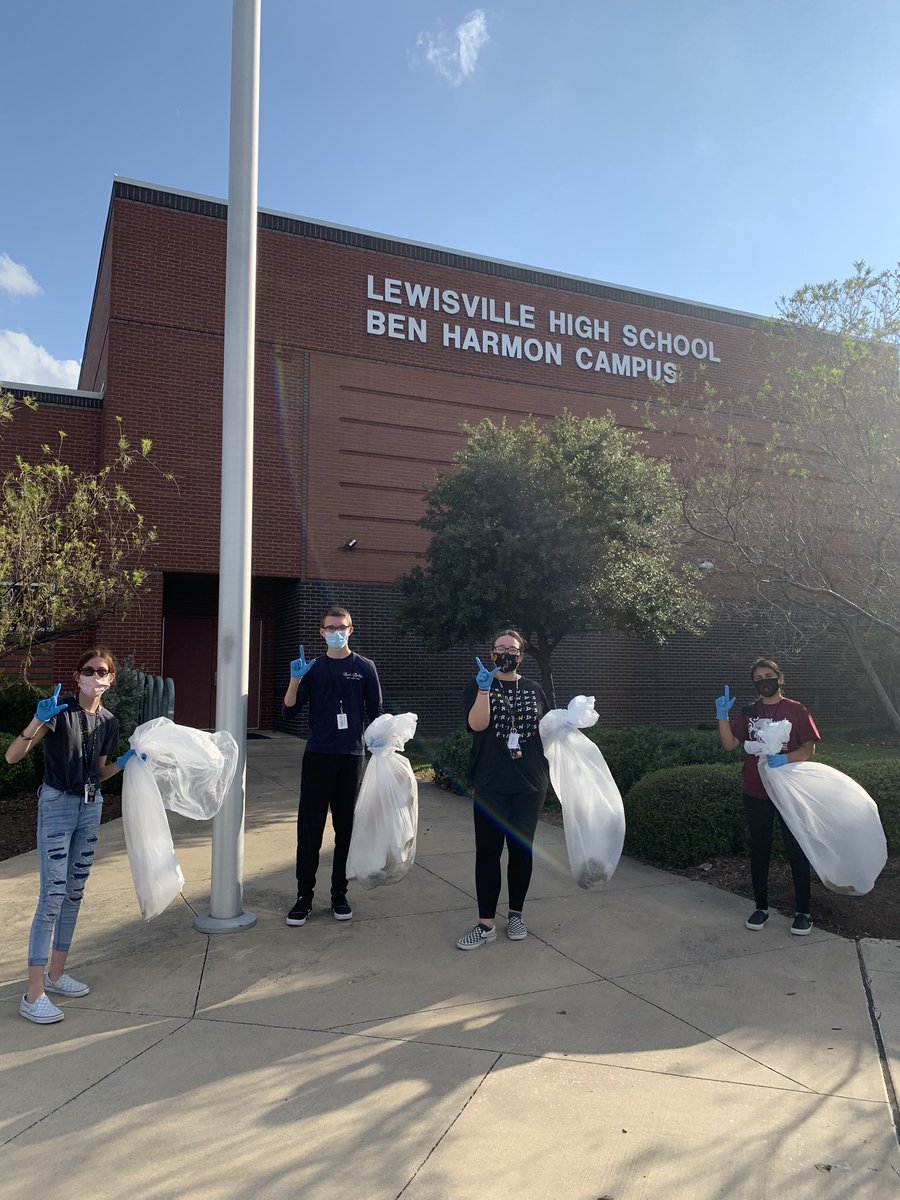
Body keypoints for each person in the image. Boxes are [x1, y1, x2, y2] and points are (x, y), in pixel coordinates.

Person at [6, 647, 137, 1024]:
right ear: (77, 676)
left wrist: (125, 763)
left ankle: (58, 975)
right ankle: (33, 995)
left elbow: (99, 773)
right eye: (89, 670)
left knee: (75, 890)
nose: (96, 677)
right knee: (52, 893)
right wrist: (36, 721)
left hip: (90, 806)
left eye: (103, 672)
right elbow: (13, 756)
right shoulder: (57, 711)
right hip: (58, 804)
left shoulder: (109, 721)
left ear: (111, 680)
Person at [281, 607, 383, 926]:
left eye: (342, 627)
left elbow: (377, 715)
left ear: (351, 630)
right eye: (330, 627)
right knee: (309, 829)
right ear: (321, 632)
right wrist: (295, 680)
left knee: (346, 830)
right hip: (318, 756)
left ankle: (340, 894)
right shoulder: (311, 669)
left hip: (351, 758)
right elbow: (289, 712)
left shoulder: (365, 668)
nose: (336, 631)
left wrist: (386, 748)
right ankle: (304, 897)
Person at [457, 629, 550, 950]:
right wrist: (484, 690)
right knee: (488, 851)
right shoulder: (479, 683)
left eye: (511, 649)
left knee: (521, 851)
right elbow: (477, 726)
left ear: (521, 655)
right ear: (492, 653)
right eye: (499, 649)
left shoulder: (534, 688)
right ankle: (485, 924)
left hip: (529, 784)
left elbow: (548, 732)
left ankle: (515, 914)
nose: (505, 654)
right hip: (491, 782)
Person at [715, 657, 820, 936]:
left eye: (768, 675)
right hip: (756, 789)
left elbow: (808, 749)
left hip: (787, 791)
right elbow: (730, 745)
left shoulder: (796, 710)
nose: (764, 681)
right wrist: (722, 716)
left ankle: (803, 912)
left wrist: (785, 758)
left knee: (795, 849)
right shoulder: (749, 711)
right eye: (758, 677)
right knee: (760, 849)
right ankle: (761, 907)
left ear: (780, 678)